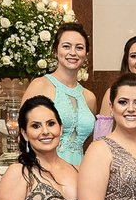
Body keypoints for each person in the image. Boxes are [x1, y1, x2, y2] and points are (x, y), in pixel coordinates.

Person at [21, 22, 97, 166]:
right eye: (66, 46)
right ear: (56, 51)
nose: (73, 52)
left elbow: (90, 144)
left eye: (79, 48)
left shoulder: (90, 97)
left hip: (80, 171)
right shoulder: (40, 85)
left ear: (86, 54)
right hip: (45, 167)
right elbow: (23, 133)